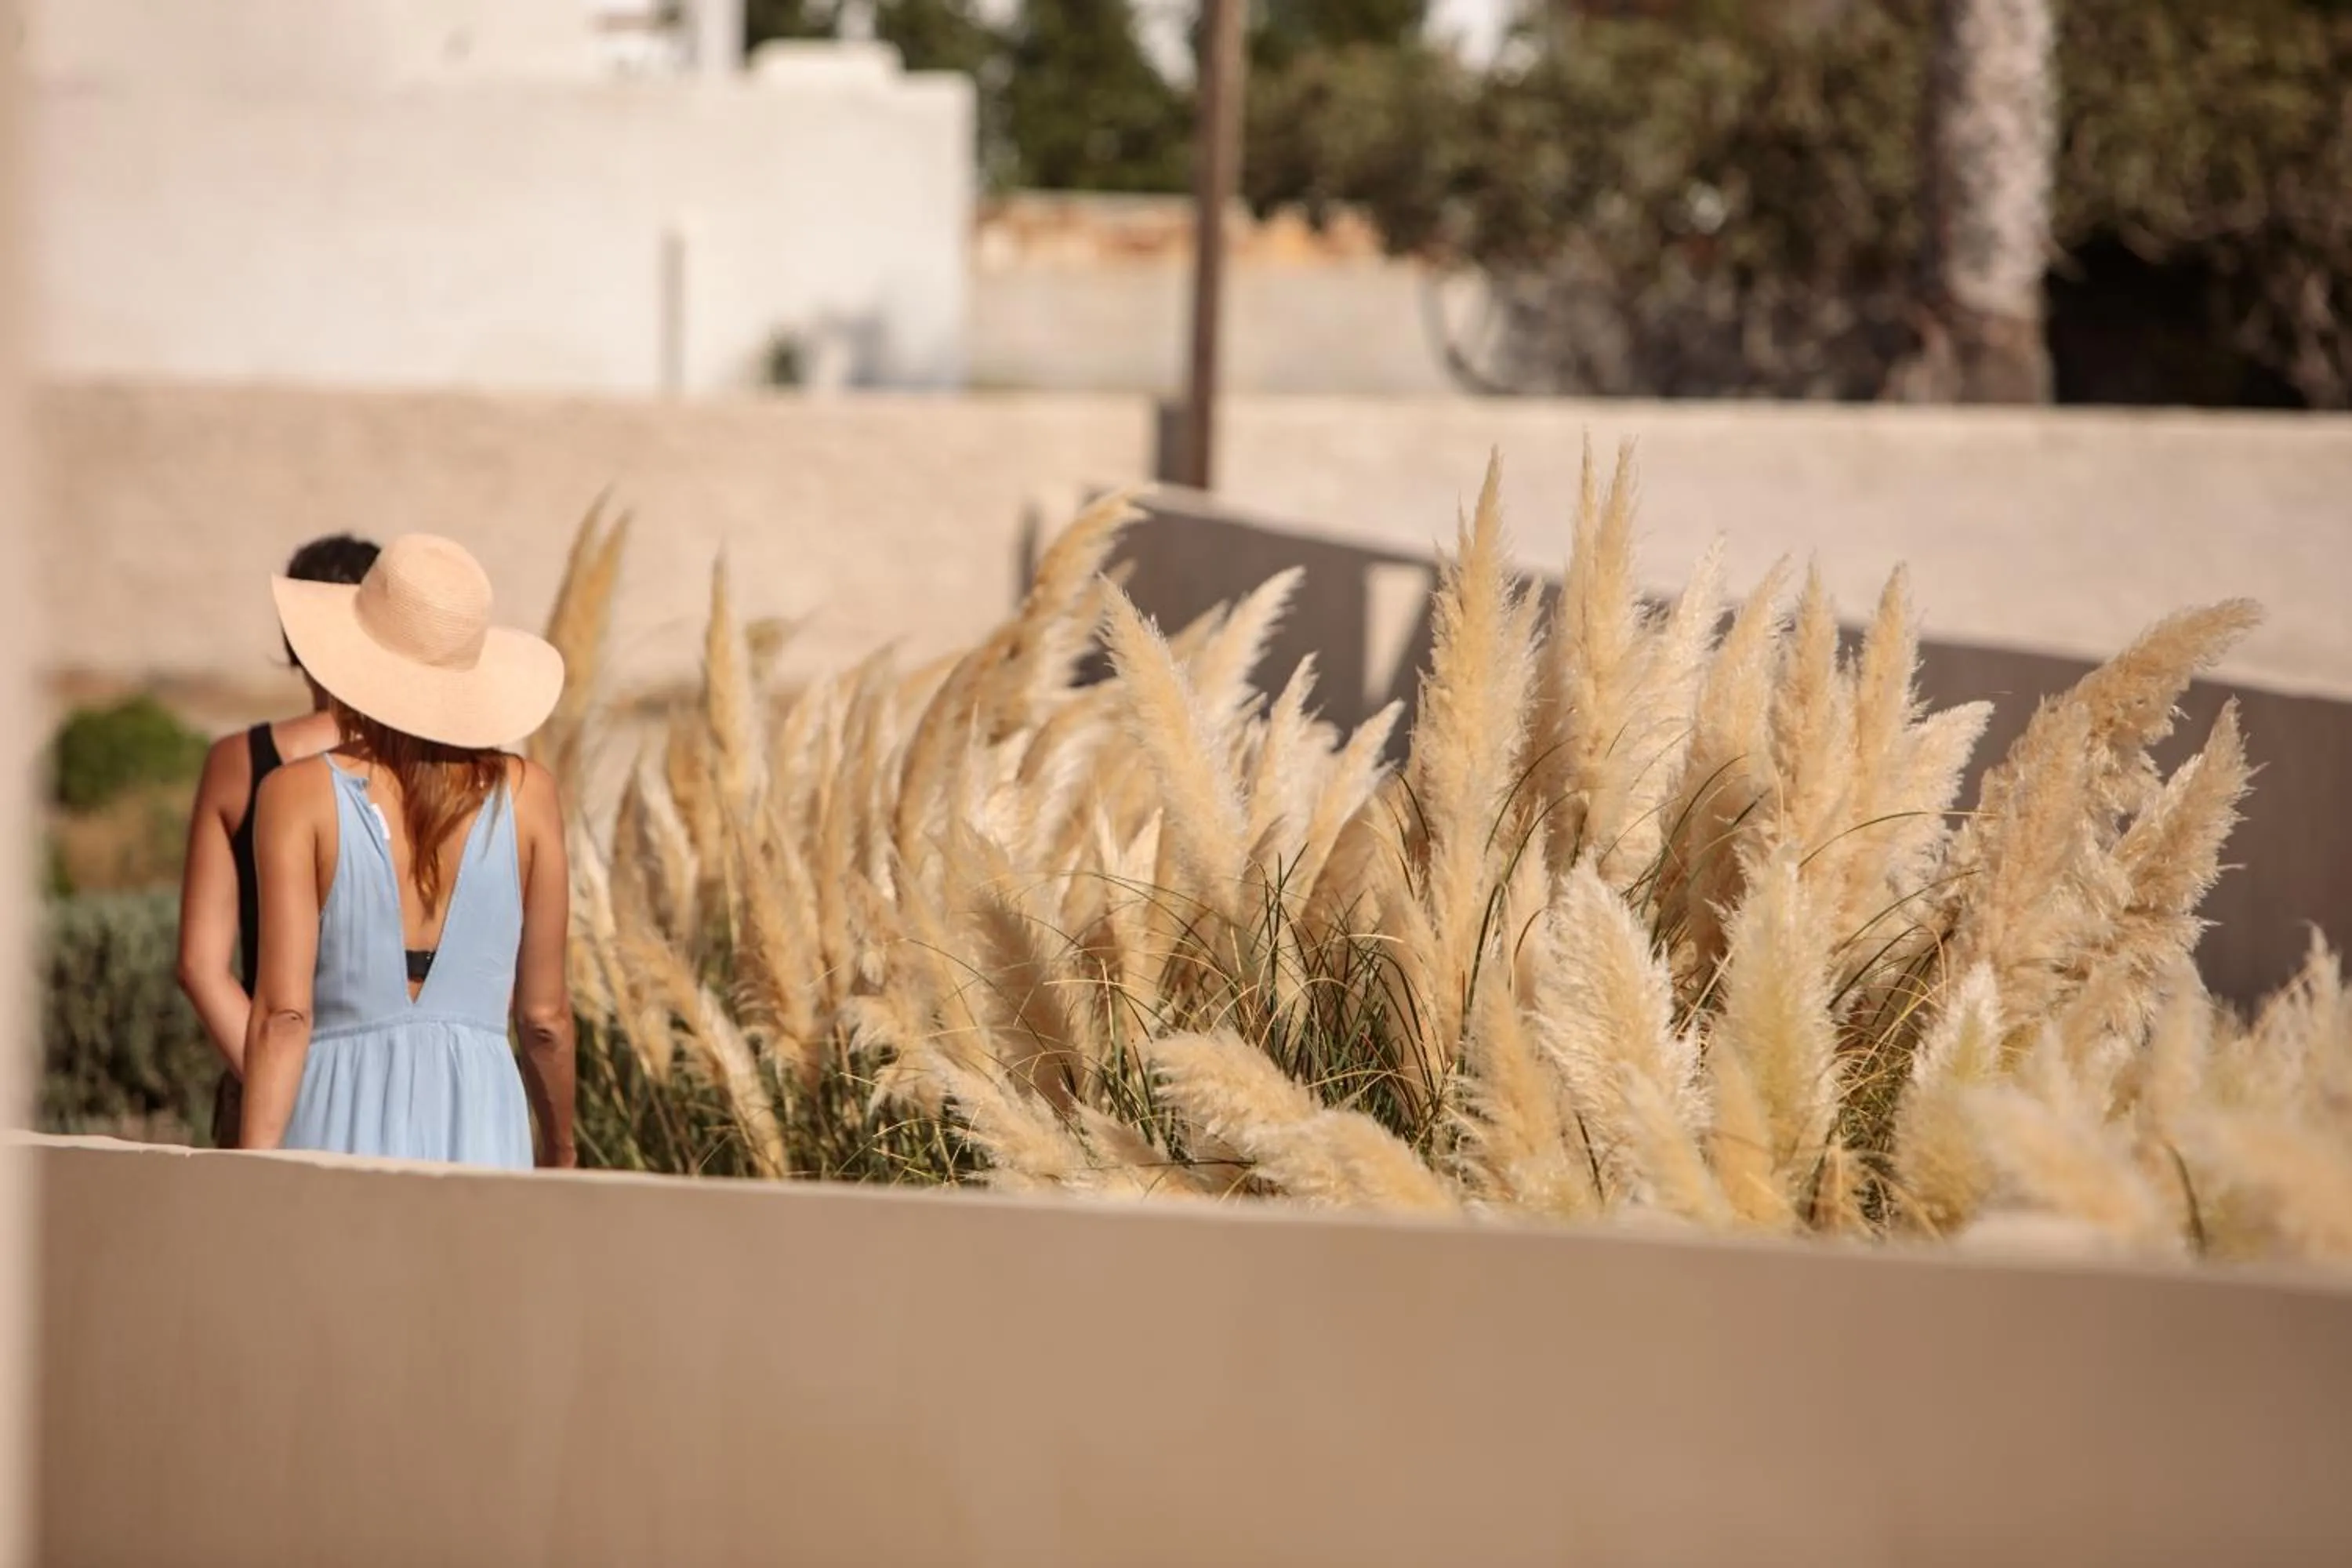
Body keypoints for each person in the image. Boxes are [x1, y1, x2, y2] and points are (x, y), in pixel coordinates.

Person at [236, 532, 575, 1169]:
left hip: (333, 1115)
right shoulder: (530, 797)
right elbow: (544, 1018)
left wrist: (252, 1173)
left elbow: (283, 1014)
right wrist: (561, 1149)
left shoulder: (295, 795)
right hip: (482, 1122)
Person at [178, 533, 382, 1149]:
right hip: (393, 1085)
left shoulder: (240, 762)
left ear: (293, 636)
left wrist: (283, 1084)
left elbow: (200, 966)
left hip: (264, 1081)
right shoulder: (427, 769)